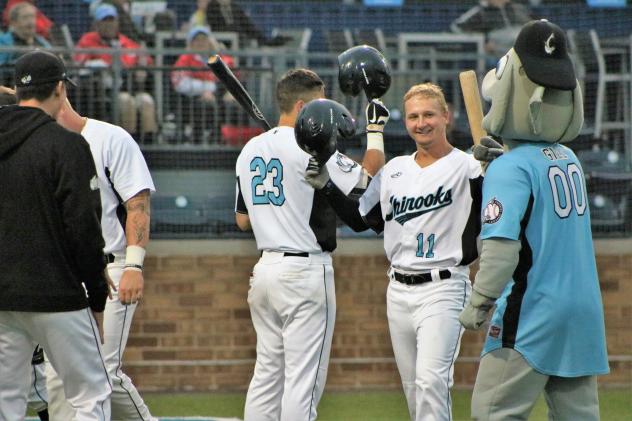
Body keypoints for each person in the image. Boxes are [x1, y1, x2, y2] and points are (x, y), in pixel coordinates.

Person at [304, 83, 483, 421]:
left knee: (431, 382)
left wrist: (499, 161)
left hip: (445, 286)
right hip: (398, 290)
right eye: (414, 116)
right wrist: (327, 186)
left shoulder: (471, 167)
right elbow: (361, 220)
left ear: (446, 116)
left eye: (429, 114)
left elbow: (502, 201)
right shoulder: (395, 170)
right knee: (414, 389)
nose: (421, 123)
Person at [458, 19, 608, 420]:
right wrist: (506, 160)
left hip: (532, 309)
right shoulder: (569, 158)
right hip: (582, 313)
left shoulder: (511, 170)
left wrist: (479, 301)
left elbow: (502, 251)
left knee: (493, 413)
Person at [234, 68, 385, 420]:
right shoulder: (313, 146)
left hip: (265, 271)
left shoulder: (250, 148)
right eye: (319, 104)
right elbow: (368, 189)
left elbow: (242, 221)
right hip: (304, 272)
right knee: (304, 382)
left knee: (267, 375)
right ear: (301, 106)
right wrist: (375, 133)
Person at [0, 49, 111, 420]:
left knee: (5, 400)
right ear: (60, 89)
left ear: (17, 89)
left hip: (1, 296)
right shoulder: (66, 145)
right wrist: (97, 294)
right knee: (90, 394)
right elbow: (83, 227)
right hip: (56, 293)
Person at [45, 97, 156, 420]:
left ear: (59, 93)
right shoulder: (41, 142)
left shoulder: (110, 137)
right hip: (65, 271)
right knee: (59, 376)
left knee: (104, 371)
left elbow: (138, 204)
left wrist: (134, 265)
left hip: (113, 264)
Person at [75, 3, 157, 139]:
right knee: (126, 102)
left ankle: (150, 146)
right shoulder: (88, 40)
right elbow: (79, 63)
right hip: (104, 91)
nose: (109, 25)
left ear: (118, 22)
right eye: (104, 21)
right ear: (97, 24)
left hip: (132, 87)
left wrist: (142, 68)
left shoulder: (128, 43)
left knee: (146, 101)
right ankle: (129, 144)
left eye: (112, 20)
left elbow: (147, 62)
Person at [171, 25, 237, 143]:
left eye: (204, 39)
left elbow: (233, 77)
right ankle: (197, 140)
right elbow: (180, 84)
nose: (201, 43)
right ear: (191, 43)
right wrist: (206, 89)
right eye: (197, 40)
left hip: (218, 97)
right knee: (204, 106)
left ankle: (222, 139)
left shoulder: (219, 59)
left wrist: (230, 92)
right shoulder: (185, 59)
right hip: (191, 100)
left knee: (232, 104)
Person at [450, 0, 533, 63]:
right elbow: (457, 27)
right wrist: (484, 41)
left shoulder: (517, 8)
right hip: (498, 49)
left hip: (522, 46)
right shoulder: (481, 11)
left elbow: (533, 23)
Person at [205, 0, 291, 47]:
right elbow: (215, 27)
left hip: (240, 40)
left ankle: (269, 42)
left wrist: (261, 38)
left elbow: (248, 25)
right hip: (222, 42)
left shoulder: (234, 6)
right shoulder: (212, 7)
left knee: (255, 39)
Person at [0, 2, 51, 66]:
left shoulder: (43, 43)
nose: (30, 21)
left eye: (32, 16)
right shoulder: (3, 43)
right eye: (25, 17)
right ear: (14, 22)